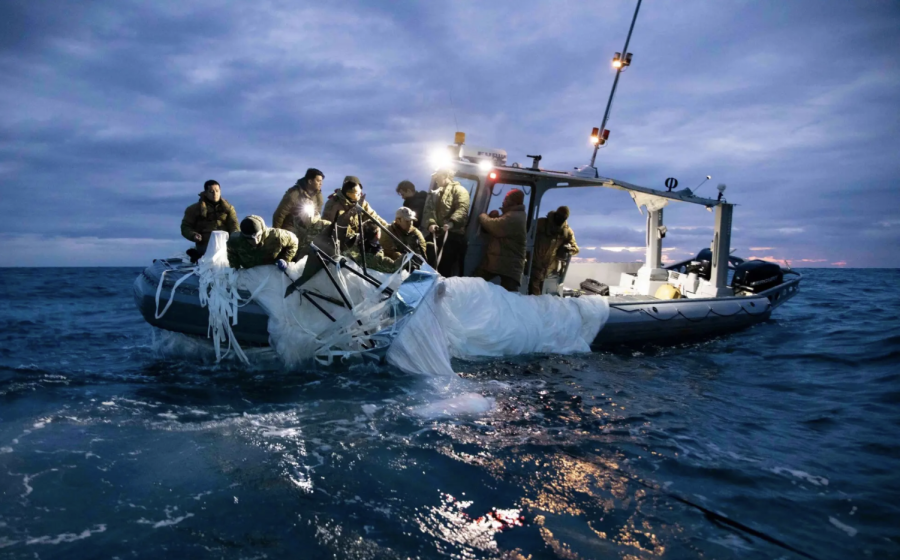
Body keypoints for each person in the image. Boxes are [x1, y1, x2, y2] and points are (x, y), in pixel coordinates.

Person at [473, 189, 527, 292]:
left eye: (506, 199)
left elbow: (494, 227)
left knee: (508, 297)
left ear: (514, 201)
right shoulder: (513, 215)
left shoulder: (515, 217)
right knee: (477, 281)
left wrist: (482, 216)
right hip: (503, 262)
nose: (503, 201)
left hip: (509, 265)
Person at [422, 169, 470, 276]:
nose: (436, 179)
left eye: (437, 176)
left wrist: (451, 223)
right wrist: (431, 223)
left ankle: (441, 290)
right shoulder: (435, 193)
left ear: (445, 175)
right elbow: (429, 210)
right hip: (436, 234)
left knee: (445, 266)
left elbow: (462, 209)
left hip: (452, 235)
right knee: (425, 258)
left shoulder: (460, 190)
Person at [322, 176, 388, 249]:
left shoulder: (362, 203)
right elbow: (333, 227)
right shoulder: (333, 204)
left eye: (360, 192)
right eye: (357, 193)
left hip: (359, 241)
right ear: (348, 193)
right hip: (339, 243)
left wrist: (387, 228)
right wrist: (356, 238)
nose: (360, 194)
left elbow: (373, 216)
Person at [181, 180, 239, 260]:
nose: (215, 194)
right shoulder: (194, 209)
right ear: (205, 192)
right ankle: (197, 255)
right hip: (205, 244)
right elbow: (185, 227)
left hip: (225, 244)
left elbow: (234, 225)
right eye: (211, 191)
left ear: (220, 191)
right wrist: (193, 235)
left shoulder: (228, 209)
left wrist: (235, 236)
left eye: (217, 191)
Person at [528, 206, 580, 295]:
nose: (559, 219)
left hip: (549, 269)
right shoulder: (541, 223)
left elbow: (575, 249)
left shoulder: (566, 231)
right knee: (534, 293)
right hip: (533, 265)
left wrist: (568, 249)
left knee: (542, 294)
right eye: (558, 216)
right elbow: (527, 235)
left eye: (563, 217)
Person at [227, 215, 298, 270]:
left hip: (273, 272)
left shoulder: (277, 236)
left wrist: (285, 259)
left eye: (258, 236)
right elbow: (231, 252)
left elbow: (294, 242)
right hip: (251, 274)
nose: (255, 241)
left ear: (262, 231)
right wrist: (235, 268)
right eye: (250, 239)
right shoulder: (235, 241)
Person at [271, 168, 325, 240]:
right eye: (318, 181)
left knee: (327, 226)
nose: (321, 183)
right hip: (291, 228)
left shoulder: (318, 196)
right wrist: (276, 235)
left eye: (321, 181)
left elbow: (317, 213)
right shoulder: (294, 194)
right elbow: (280, 214)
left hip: (307, 229)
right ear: (310, 181)